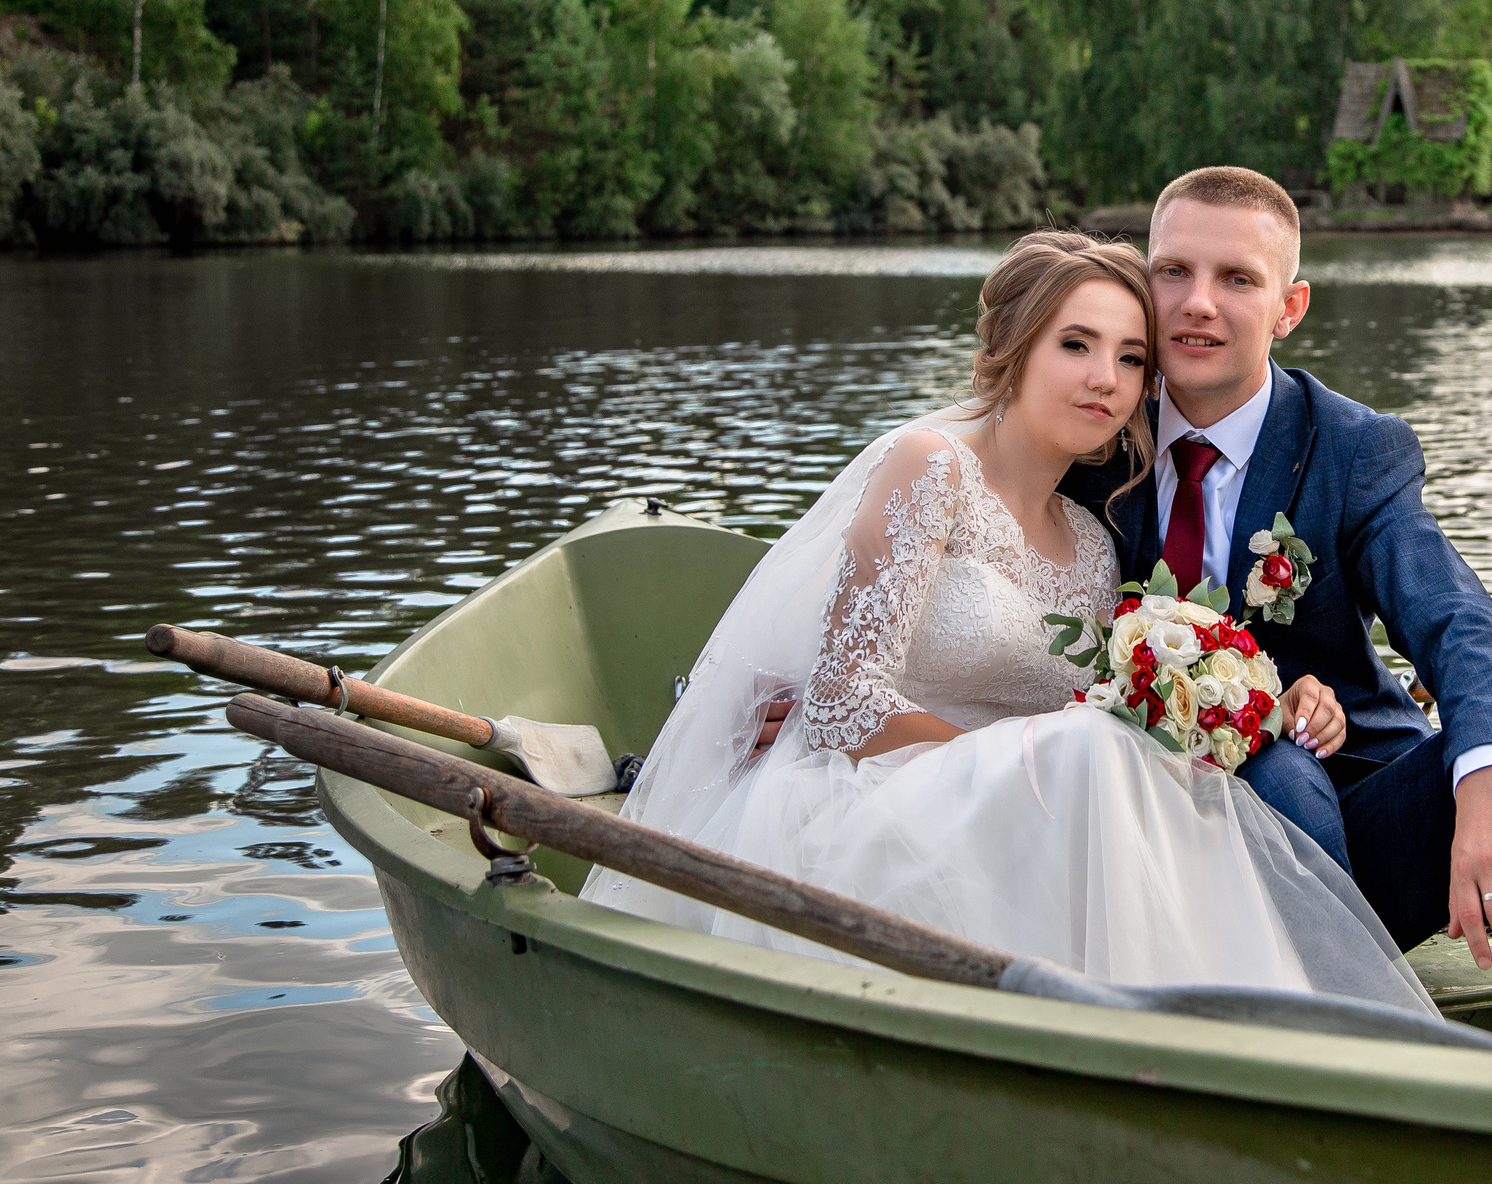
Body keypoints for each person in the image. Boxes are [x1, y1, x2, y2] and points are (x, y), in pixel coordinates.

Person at [583, 230, 1435, 1015]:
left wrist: (1256, 698)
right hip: (866, 808)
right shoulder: (931, 468)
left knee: (1156, 775)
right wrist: (1015, 765)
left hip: (1015, 819)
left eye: (1132, 357)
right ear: (1015, 349)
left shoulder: (1098, 546)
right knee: (1095, 756)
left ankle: (1257, 1040)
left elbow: (1097, 711)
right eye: (1076, 344)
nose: (1105, 377)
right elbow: (842, 701)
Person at [1061, 167, 1492, 1060]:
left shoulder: (1353, 447)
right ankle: (1339, 1071)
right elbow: (980, 553)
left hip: (1349, 837)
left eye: (1237, 279)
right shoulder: (1092, 426)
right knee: (1277, 766)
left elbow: (1456, 613)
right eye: (1173, 272)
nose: (1197, 304)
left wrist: (1487, 773)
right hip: (1144, 848)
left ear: (1289, 307)